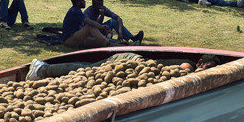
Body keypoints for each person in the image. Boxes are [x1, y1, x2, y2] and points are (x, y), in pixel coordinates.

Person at [26, 53, 221, 81]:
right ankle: (42, 70)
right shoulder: (188, 67)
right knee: (86, 71)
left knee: (88, 69)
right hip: (131, 62)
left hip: (133, 67)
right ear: (201, 63)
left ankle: (44, 70)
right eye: (208, 68)